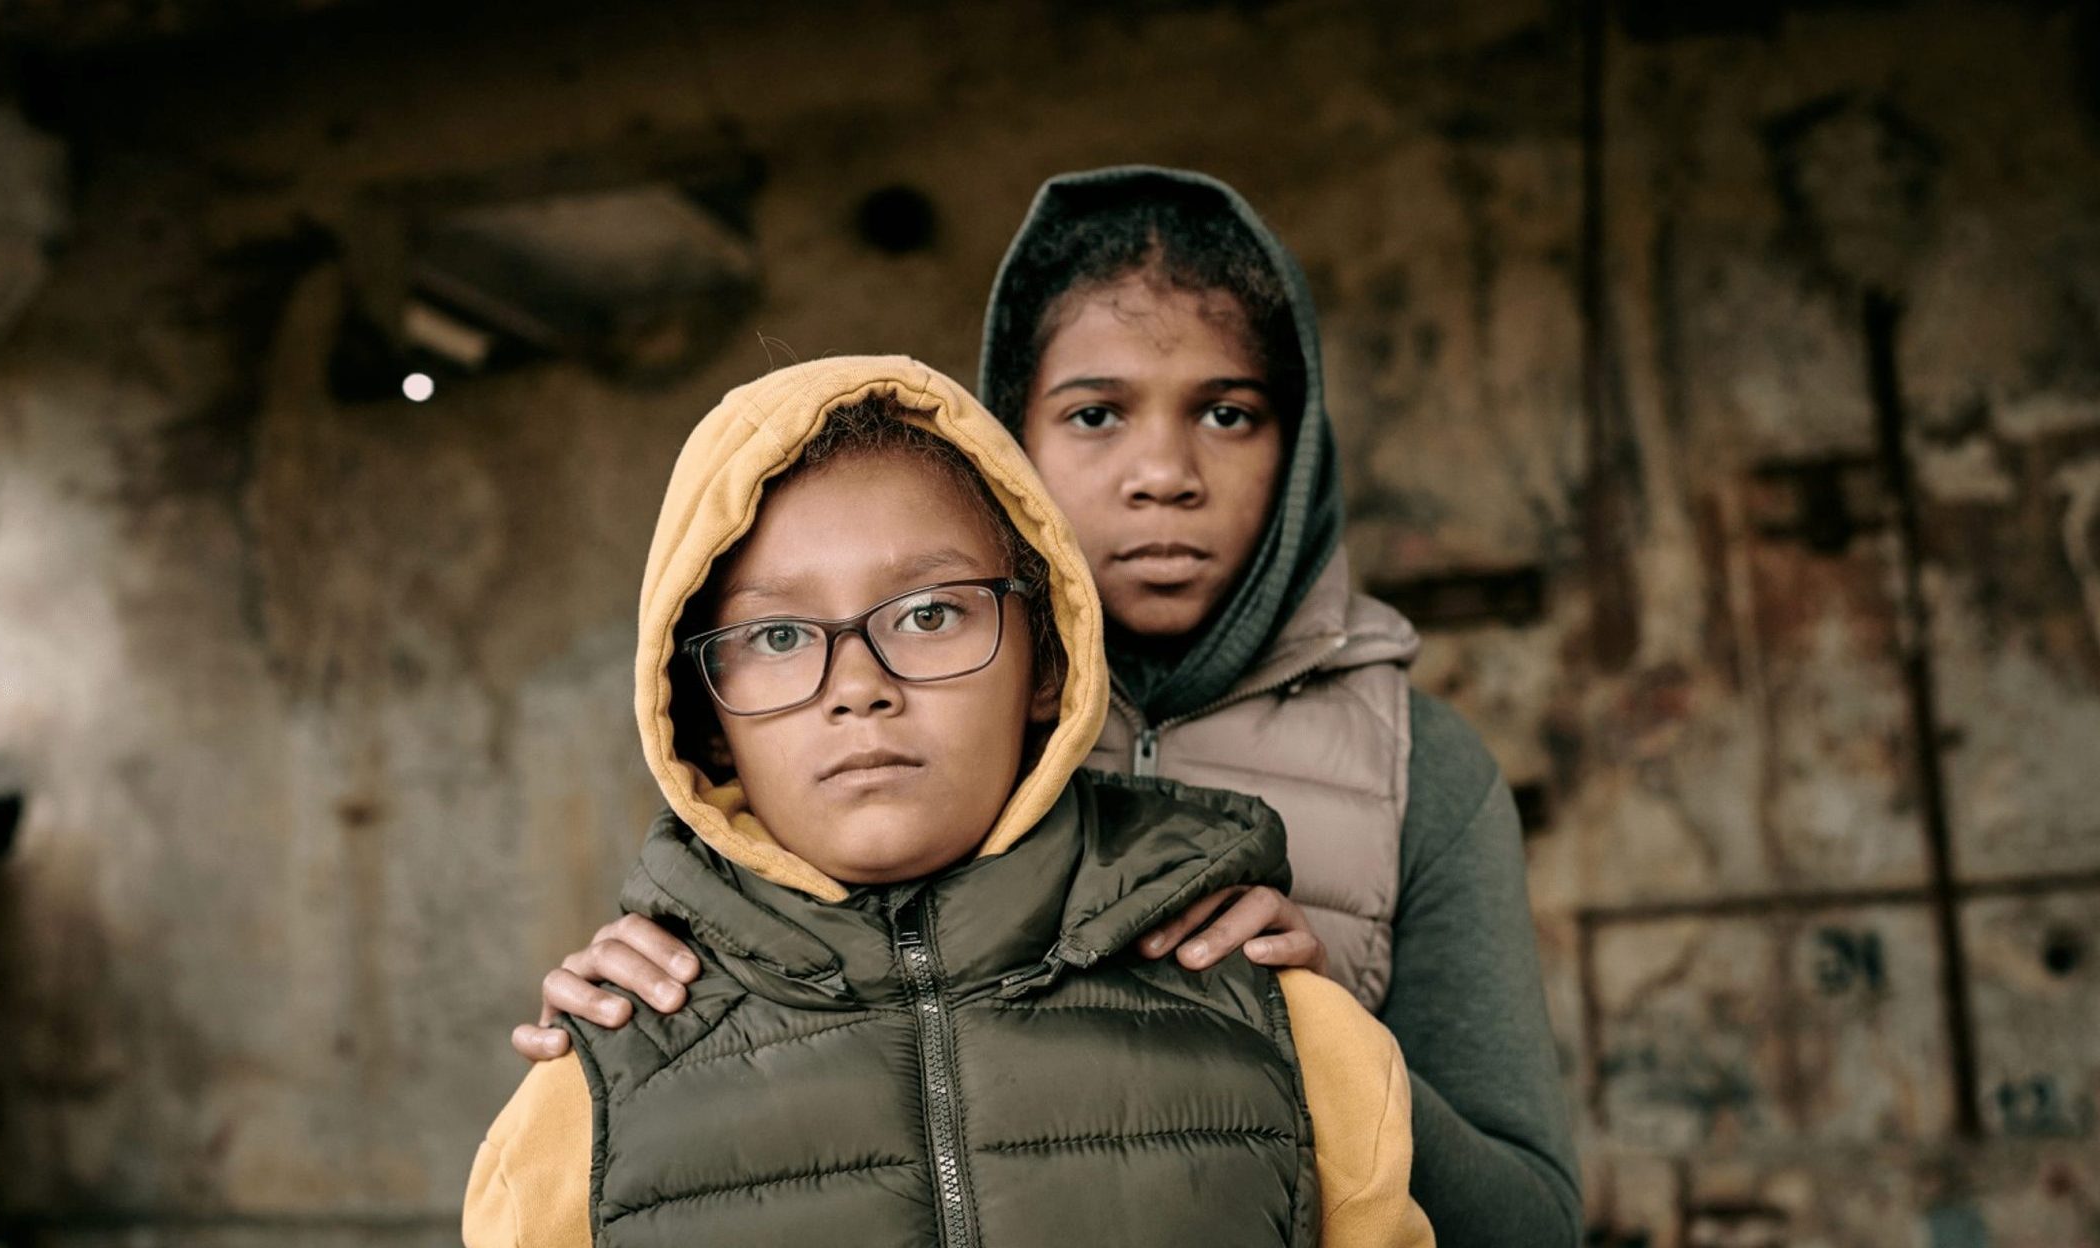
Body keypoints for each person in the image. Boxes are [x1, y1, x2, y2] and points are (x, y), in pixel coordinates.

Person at [515, 170, 1582, 1246]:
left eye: (1227, 413)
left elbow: (1531, 1223)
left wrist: (1315, 1036)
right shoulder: (894, 738)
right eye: (1094, 414)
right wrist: (638, 999)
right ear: (1007, 443)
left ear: (1297, 443)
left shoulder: (1415, 766)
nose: (1162, 473)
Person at [465, 357, 1436, 1247]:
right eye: (775, 639)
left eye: (930, 614)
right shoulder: (586, 1102)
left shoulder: (1285, 1027)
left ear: (1048, 662)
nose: (857, 685)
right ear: (705, 716)